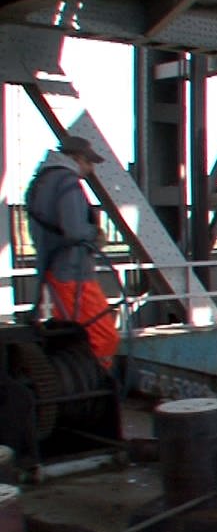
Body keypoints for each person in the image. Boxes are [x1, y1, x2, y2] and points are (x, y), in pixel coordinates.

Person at [26, 136, 118, 368]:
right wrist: (95, 234)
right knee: (104, 336)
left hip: (53, 270)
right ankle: (95, 387)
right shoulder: (67, 182)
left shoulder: (40, 182)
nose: (90, 170)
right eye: (89, 163)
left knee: (71, 334)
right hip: (74, 273)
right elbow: (75, 230)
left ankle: (77, 382)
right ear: (76, 159)